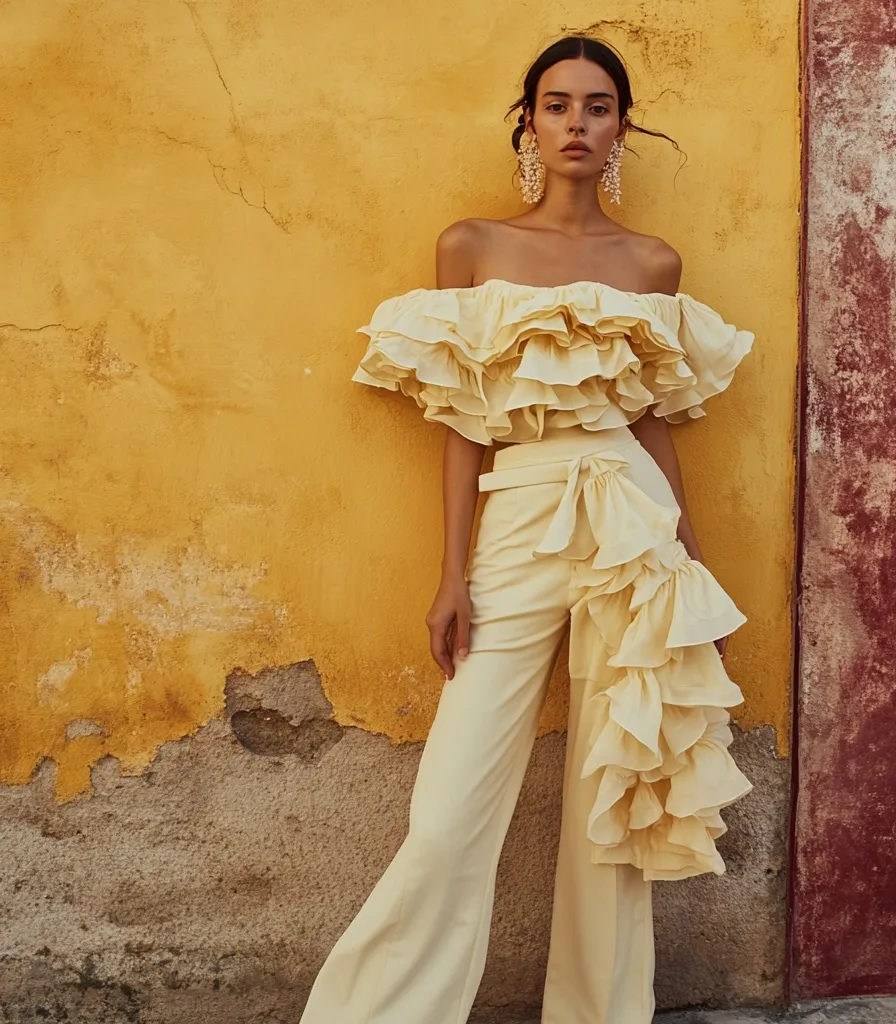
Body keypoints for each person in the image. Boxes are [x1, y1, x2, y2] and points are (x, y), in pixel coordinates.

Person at [300, 34, 755, 1024]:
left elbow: (651, 421)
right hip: (518, 514)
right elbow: (463, 420)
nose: (576, 124)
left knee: (613, 791)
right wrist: (451, 573)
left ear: (621, 127)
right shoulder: (471, 246)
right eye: (557, 105)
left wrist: (692, 575)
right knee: (447, 811)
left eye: (597, 107)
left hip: (631, 522)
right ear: (529, 123)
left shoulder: (650, 263)